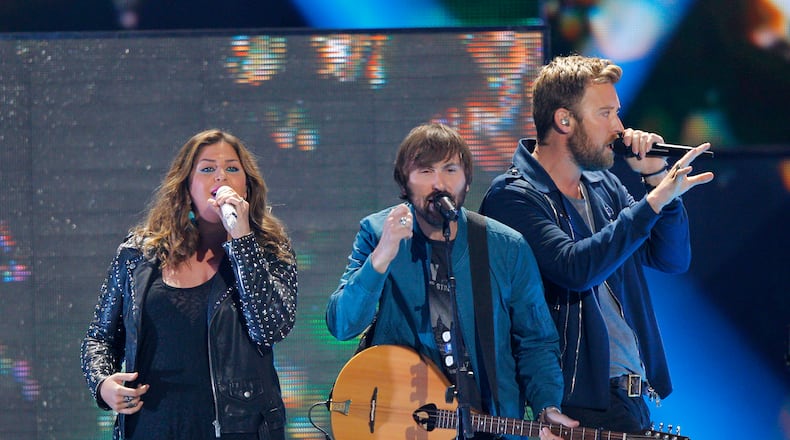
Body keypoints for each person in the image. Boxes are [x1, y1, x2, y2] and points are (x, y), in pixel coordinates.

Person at [479, 55, 715, 433]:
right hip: (575, 406)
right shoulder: (513, 197)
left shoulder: (603, 187)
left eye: (617, 113)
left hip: (631, 398)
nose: (620, 128)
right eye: (605, 113)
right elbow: (576, 268)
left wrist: (655, 181)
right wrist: (653, 202)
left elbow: (671, 258)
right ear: (564, 120)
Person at [326, 123, 578, 440]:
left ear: (466, 180)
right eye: (425, 171)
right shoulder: (377, 233)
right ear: (404, 183)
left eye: (450, 169)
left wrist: (547, 406)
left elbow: (536, 340)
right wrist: (382, 256)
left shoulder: (506, 247)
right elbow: (342, 324)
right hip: (406, 424)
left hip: (492, 426)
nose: (439, 183)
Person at [80, 129, 297, 440]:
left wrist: (242, 240)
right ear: (186, 186)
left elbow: (271, 327)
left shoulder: (270, 250)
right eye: (207, 168)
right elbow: (98, 339)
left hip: (238, 427)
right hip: (151, 427)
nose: (220, 177)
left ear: (247, 186)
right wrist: (103, 384)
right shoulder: (137, 254)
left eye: (232, 168)